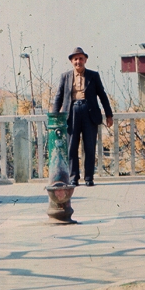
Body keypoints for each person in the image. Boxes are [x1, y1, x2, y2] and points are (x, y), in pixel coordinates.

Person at [52, 47, 113, 187]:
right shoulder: (65, 76)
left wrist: (109, 114)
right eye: (75, 59)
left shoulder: (93, 75)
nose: (78, 61)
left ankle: (89, 178)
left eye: (80, 58)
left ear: (85, 60)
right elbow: (59, 97)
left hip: (89, 113)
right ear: (71, 61)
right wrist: (55, 116)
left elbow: (102, 95)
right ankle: (74, 177)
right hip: (72, 112)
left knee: (89, 147)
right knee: (72, 146)